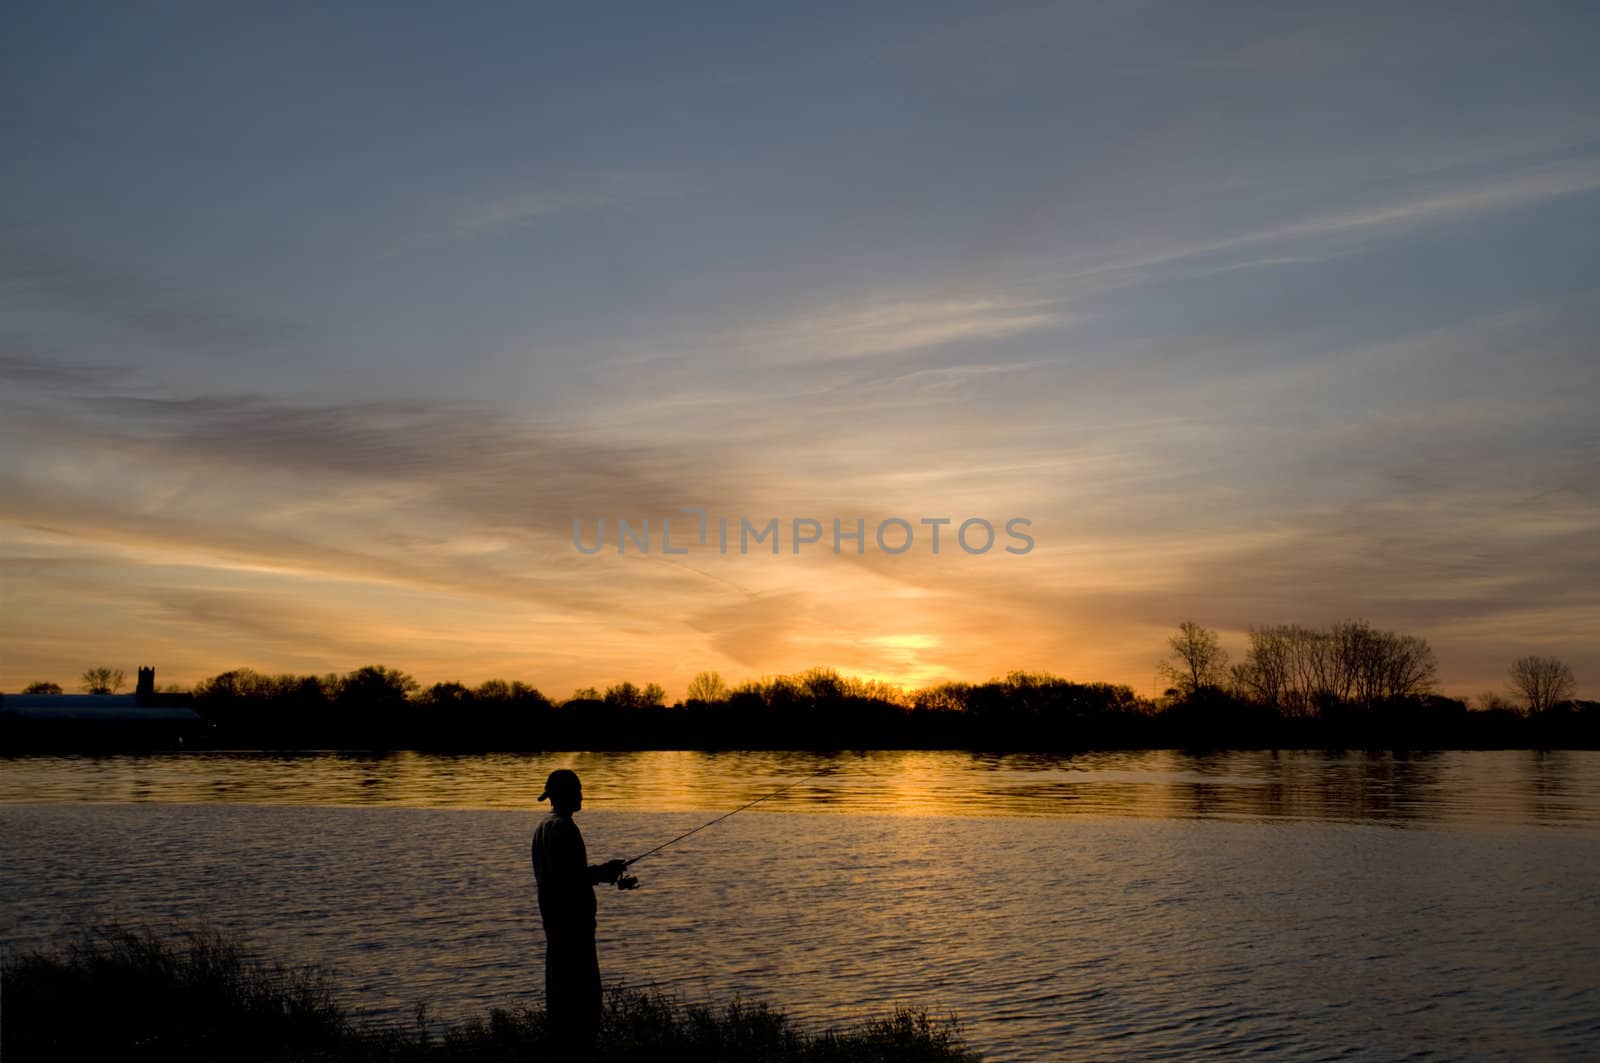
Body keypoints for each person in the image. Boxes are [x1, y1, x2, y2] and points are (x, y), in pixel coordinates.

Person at [530, 768, 628, 1056]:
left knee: (559, 999)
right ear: (568, 795)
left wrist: (602, 872)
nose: (582, 796)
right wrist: (605, 872)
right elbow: (571, 878)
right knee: (584, 1003)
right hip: (574, 927)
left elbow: (564, 875)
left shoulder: (542, 828)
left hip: (554, 925)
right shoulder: (565, 829)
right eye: (578, 791)